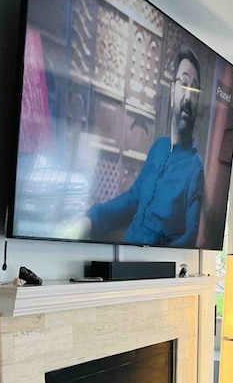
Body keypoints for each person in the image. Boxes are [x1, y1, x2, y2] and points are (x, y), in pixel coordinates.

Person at [82, 46, 204, 247]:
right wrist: (92, 218)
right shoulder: (158, 148)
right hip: (125, 256)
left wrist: (158, 259)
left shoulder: (195, 169)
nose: (188, 97)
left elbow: (191, 236)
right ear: (173, 90)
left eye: (195, 89)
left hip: (156, 270)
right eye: (184, 84)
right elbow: (133, 199)